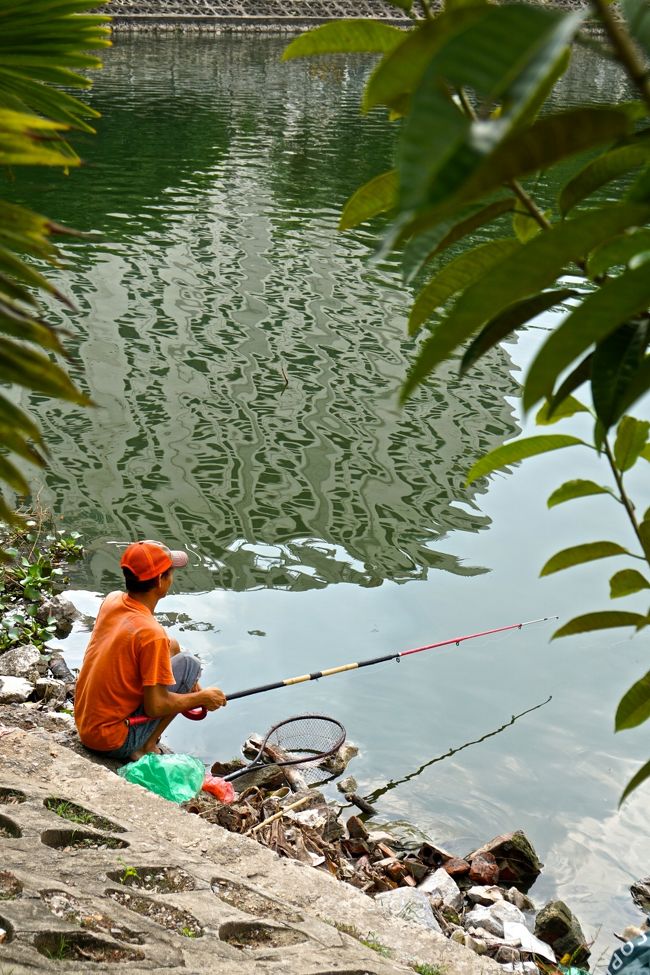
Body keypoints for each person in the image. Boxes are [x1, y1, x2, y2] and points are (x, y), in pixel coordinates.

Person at [74, 539, 226, 762]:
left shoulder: (112, 600)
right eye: (170, 573)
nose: (172, 578)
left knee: (173, 646)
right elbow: (156, 706)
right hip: (112, 741)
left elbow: (159, 642)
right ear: (160, 581)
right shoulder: (151, 634)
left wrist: (193, 688)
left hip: (87, 725)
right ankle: (146, 745)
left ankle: (144, 739)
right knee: (190, 664)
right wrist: (200, 698)